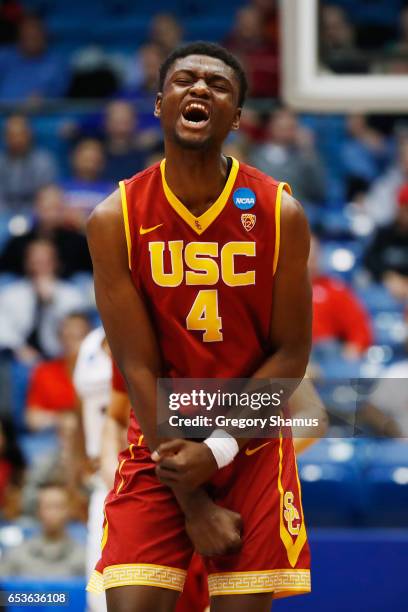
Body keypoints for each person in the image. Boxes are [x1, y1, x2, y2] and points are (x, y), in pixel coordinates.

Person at [86, 42, 312, 612]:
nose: (200, 89)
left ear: (235, 118)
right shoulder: (115, 219)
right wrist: (192, 501)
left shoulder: (279, 212)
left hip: (251, 441)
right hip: (160, 440)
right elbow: (137, 366)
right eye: (184, 80)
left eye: (218, 85)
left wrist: (216, 451)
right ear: (160, 103)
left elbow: (290, 356)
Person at [0, 239, 87, 361]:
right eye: (35, 262)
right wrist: (19, 348)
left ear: (56, 263)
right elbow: (3, 329)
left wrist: (51, 302)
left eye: (45, 262)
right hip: (19, 360)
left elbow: (75, 332)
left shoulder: (72, 295)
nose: (40, 267)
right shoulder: (10, 294)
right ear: (27, 264)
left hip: (61, 358)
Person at [0, 184, 92, 278]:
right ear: (36, 208)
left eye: (56, 208)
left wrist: (83, 227)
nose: (51, 214)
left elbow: (96, 270)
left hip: (68, 289)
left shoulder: (77, 243)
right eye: (46, 208)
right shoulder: (19, 242)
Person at [0, 481, 85, 577]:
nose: (53, 513)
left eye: (58, 506)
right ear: (38, 511)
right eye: (47, 507)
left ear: (69, 511)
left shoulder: (84, 558)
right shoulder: (17, 556)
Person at [309, 234, 372, 357]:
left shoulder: (336, 290)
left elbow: (360, 333)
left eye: (314, 253)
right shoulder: (276, 291)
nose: (310, 257)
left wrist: (352, 351)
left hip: (325, 356)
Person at [26, 312, 91, 432]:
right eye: (65, 336)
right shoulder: (45, 371)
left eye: (76, 337)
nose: (70, 342)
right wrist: (60, 419)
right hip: (56, 437)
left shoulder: (100, 372)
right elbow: (32, 419)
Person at [248, 107, 326, 204]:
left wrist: (308, 151)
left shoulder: (304, 157)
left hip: (296, 208)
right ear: (271, 126)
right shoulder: (255, 156)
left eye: (290, 127)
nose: (285, 132)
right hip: (264, 207)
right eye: (281, 127)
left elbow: (320, 190)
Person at [0, 15, 68, 102]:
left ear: (45, 37)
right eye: (27, 36)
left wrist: (44, 97)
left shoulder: (57, 63)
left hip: (41, 113)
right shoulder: (4, 56)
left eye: (35, 36)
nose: (31, 40)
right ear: (20, 36)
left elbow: (57, 91)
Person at [0, 114, 58, 213]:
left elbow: (47, 194)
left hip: (36, 216)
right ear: (5, 138)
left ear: (29, 135)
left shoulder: (44, 161)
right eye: (12, 135)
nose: (17, 140)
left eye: (21, 134)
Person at [364, 183, 408, 301]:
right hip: (384, 287)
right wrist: (388, 276)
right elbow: (369, 259)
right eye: (405, 209)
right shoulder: (384, 233)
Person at [60, 139, 113, 228]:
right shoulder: (58, 189)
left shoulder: (112, 191)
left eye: (93, 158)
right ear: (73, 158)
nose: (89, 162)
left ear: (102, 161)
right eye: (85, 158)